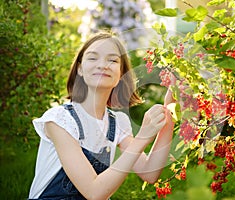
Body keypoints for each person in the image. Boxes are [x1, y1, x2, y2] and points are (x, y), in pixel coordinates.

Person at [28, 30, 175, 200]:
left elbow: (149, 172)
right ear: (80, 69)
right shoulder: (59, 120)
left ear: (121, 74)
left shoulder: (117, 123)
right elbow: (94, 192)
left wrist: (169, 112)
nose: (102, 65)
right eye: (92, 58)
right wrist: (143, 137)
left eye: (112, 60)